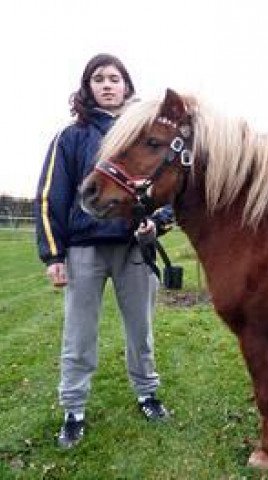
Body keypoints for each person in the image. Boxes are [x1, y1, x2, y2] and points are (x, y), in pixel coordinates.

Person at [34, 53, 173, 449]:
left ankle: (148, 394)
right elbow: (50, 196)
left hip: (133, 249)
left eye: (115, 78)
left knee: (141, 331)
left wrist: (158, 221)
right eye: (99, 79)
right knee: (78, 335)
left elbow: (167, 184)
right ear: (88, 87)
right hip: (83, 252)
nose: (107, 85)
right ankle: (74, 409)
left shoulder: (142, 134)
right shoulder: (71, 137)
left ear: (127, 85)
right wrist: (54, 255)